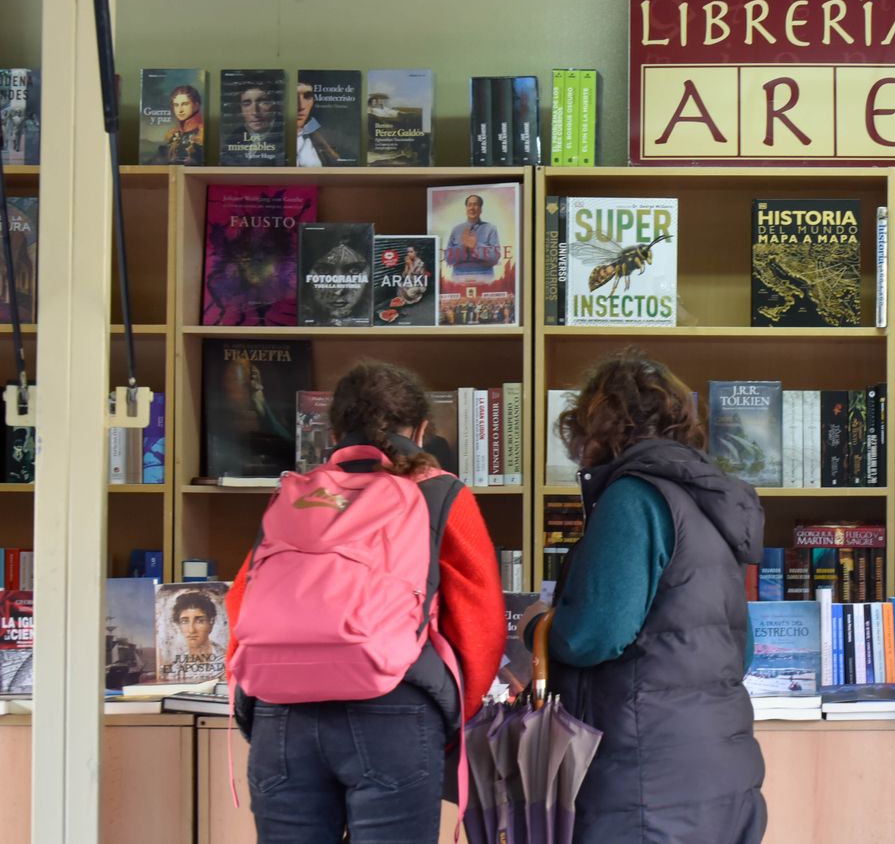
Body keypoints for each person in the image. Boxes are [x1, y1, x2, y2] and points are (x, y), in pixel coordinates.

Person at [224, 361, 504, 844]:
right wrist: (453, 711)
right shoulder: (440, 493)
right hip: (392, 708)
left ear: (334, 431)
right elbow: (482, 624)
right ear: (420, 429)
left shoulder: (296, 494)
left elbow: (240, 605)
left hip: (281, 715)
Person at [526, 349, 765, 843]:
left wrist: (537, 625)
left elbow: (596, 633)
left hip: (645, 772)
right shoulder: (710, 503)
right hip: (720, 764)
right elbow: (740, 648)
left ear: (598, 428)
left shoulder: (633, 497)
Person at [224, 77, 283, 165]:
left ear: (276, 105)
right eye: (247, 104)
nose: (255, 112)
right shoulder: (232, 140)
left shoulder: (287, 139)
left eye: (263, 102)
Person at [168, 590, 222, 680]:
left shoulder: (226, 660)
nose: (191, 630)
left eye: (200, 621)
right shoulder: (175, 667)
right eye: (184, 621)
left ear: (211, 623)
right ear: (179, 625)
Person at [443, 194, 501, 275]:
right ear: (466, 208)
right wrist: (463, 247)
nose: (472, 208)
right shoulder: (456, 229)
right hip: (459, 276)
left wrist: (475, 246)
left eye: (475, 205)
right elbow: (448, 259)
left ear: (481, 209)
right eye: (469, 205)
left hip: (484, 276)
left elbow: (495, 258)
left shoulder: (490, 228)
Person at [294, 82, 344, 167]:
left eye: (307, 96)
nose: (301, 106)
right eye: (293, 97)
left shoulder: (322, 136)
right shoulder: (268, 143)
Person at [158, 84, 203, 165]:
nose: (180, 110)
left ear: (196, 105)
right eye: (176, 105)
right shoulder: (172, 135)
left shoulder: (203, 133)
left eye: (185, 104)